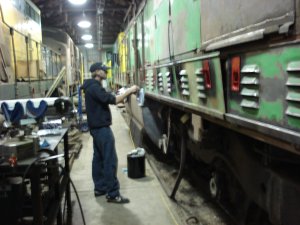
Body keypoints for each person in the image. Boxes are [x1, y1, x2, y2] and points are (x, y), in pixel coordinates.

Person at [82, 62, 139, 204]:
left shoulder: (92, 87)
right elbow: (113, 100)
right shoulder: (94, 87)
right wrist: (130, 90)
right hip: (101, 129)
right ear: (96, 72)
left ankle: (100, 188)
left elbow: (106, 97)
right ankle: (113, 194)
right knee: (110, 160)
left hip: (96, 128)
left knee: (98, 158)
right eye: (104, 70)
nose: (106, 72)